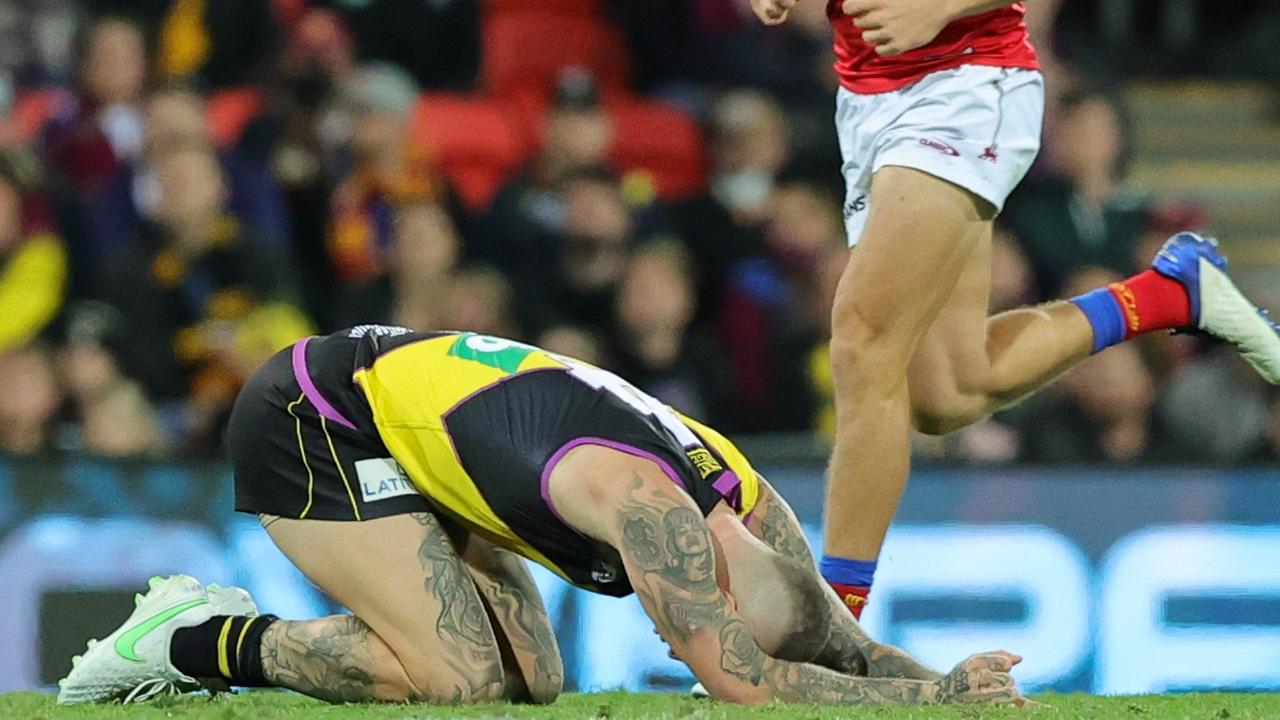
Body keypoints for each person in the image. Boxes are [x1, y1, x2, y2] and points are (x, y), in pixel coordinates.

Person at [59, 327, 1029, 708]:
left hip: (435, 435)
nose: (671, 627)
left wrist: (948, 677)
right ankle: (193, 639)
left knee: (538, 684)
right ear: (707, 573)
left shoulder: (743, 502)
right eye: (695, 614)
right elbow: (751, 685)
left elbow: (836, 644)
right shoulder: (652, 514)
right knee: (463, 682)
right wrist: (931, 705)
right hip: (316, 419)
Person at [751, 0, 1280, 619]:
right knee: (949, 392)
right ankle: (1170, 293)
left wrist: (938, 10)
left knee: (864, 341)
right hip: (871, 98)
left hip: (964, 84)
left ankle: (829, 628)